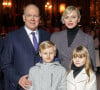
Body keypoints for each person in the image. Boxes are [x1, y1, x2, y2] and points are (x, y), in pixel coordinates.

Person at [1, 4, 51, 90]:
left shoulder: (47, 36)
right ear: (24, 18)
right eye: (29, 15)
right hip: (20, 87)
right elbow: (5, 64)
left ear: (39, 19)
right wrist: (18, 79)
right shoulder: (12, 37)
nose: (32, 19)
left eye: (35, 16)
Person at [50, 5, 96, 71]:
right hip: (59, 77)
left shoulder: (88, 39)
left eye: (73, 17)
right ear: (63, 19)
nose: (70, 20)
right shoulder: (55, 37)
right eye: (67, 17)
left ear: (79, 19)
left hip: (79, 78)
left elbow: (92, 66)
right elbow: (49, 61)